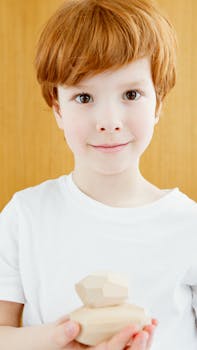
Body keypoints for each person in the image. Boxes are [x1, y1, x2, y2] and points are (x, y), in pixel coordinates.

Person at [0, 0, 196, 349]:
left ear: (159, 103)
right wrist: (59, 339)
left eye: (131, 94)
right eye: (84, 97)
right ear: (58, 108)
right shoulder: (25, 216)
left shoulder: (188, 225)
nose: (109, 121)